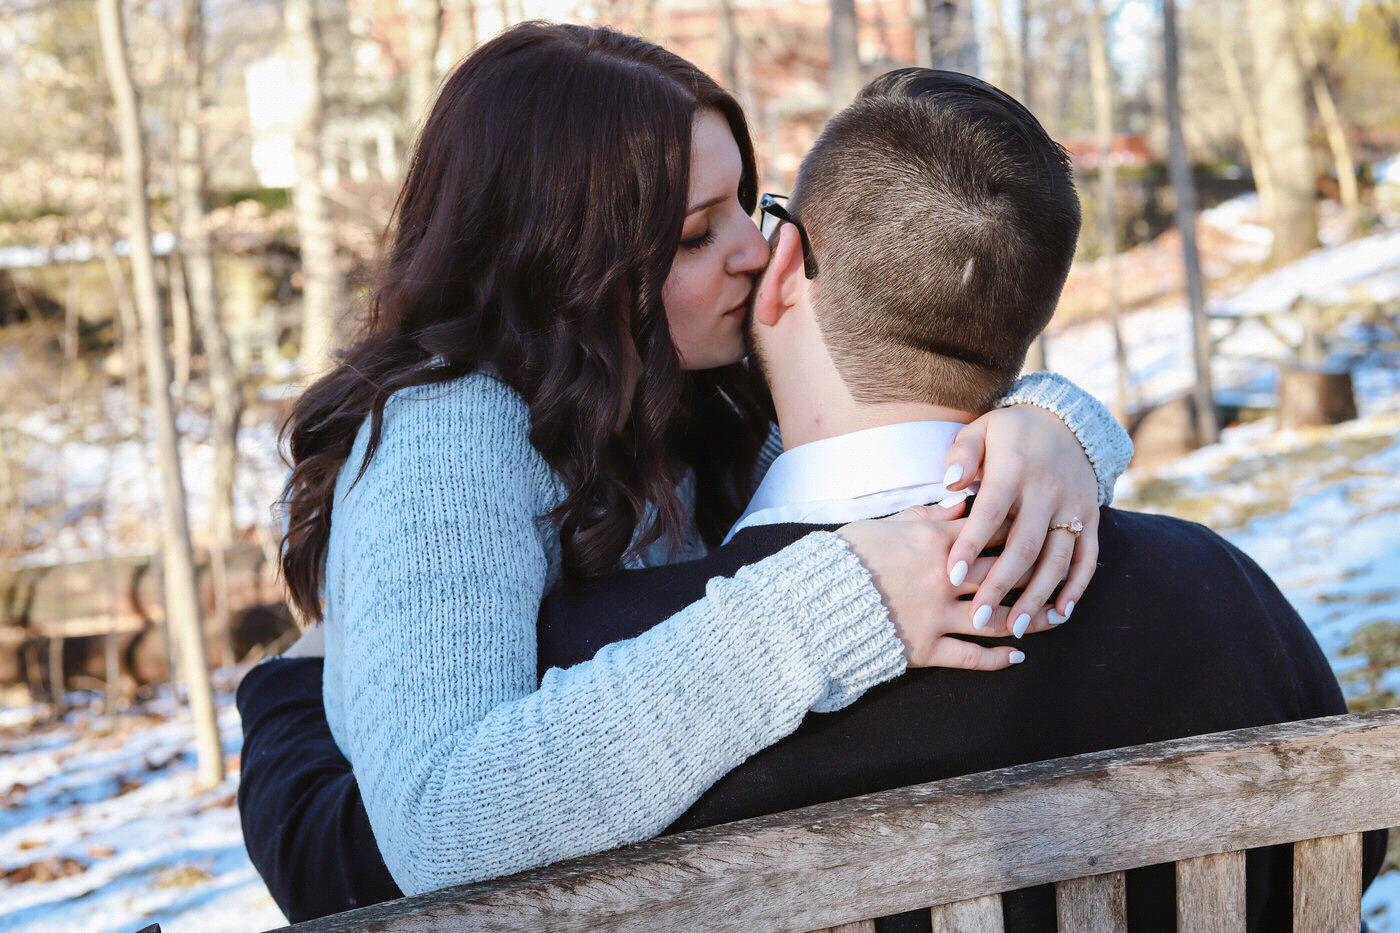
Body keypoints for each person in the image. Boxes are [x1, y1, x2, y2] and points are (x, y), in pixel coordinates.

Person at [241, 66, 1384, 928]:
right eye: (699, 232)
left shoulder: (637, 553)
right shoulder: (1221, 593)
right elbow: (426, 835)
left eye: (752, 209)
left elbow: (897, 363)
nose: (750, 250)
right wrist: (846, 596)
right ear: (565, 265)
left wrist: (1051, 423)